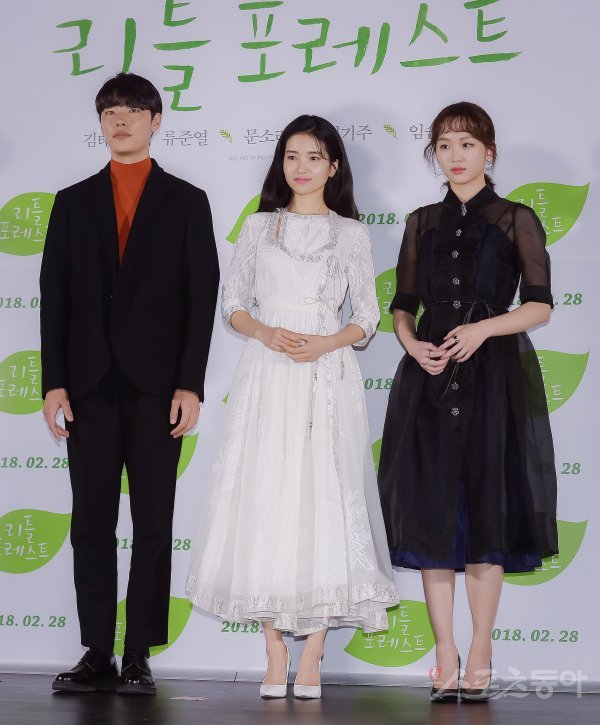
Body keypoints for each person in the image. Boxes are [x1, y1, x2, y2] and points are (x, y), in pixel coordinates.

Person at [186, 114, 399, 699]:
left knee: (325, 496)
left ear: (334, 167)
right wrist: (264, 332)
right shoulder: (258, 227)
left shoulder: (351, 234)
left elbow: (367, 317)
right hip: (268, 372)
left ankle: (315, 651)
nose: (301, 167)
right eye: (291, 156)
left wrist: (325, 343)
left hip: (326, 376)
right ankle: (275, 648)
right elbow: (232, 304)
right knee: (266, 497)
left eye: (313, 157)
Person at [40, 72, 219, 695]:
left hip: (157, 388)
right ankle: (96, 649)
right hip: (88, 386)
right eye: (110, 112)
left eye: (133, 111)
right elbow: (53, 297)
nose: (120, 121)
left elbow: (201, 299)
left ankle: (138, 651)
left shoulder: (187, 201)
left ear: (155, 121)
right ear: (100, 123)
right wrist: (54, 383)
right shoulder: (72, 201)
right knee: (90, 522)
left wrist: (189, 384)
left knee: (153, 521)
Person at [377, 102, 557, 703]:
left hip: (493, 376)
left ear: (489, 152)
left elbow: (539, 305)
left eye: (467, 144)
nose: (455, 156)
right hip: (427, 376)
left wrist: (483, 329)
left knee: (487, 511)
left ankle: (481, 648)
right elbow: (403, 303)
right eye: (444, 146)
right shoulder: (421, 222)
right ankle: (444, 652)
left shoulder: (515, 218)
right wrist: (410, 342)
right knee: (430, 513)